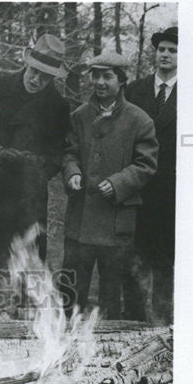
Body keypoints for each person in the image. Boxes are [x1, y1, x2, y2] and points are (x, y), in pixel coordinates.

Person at [0, 34, 72, 319]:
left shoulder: (58, 106)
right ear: (27, 64)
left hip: (28, 196)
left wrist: (35, 164)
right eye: (34, 73)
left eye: (44, 78)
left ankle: (24, 326)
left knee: (29, 262)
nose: (36, 80)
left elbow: (58, 153)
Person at [59, 51, 158, 320]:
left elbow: (146, 165)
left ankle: (105, 350)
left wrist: (117, 183)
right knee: (71, 289)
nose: (100, 82)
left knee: (110, 295)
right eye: (96, 75)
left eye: (107, 76)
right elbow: (69, 152)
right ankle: (64, 346)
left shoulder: (140, 120)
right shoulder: (79, 116)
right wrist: (72, 173)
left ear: (122, 80)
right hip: (80, 222)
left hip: (116, 223)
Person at [123, 26, 178, 322]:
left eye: (173, 50)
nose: (166, 55)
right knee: (132, 257)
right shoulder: (134, 90)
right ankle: (130, 320)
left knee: (165, 259)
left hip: (173, 191)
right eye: (162, 49)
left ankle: (163, 323)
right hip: (137, 188)